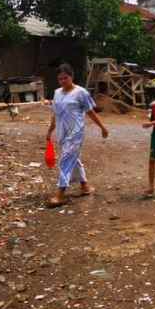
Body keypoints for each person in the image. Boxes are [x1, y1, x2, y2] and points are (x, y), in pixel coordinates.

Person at [46, 63, 109, 208]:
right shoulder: (57, 93)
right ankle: (85, 186)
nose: (63, 81)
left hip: (76, 133)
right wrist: (50, 131)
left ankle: (60, 194)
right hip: (62, 133)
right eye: (60, 79)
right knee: (73, 159)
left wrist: (102, 127)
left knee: (65, 160)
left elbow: (90, 112)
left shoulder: (81, 93)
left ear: (71, 77)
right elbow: (55, 114)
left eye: (65, 78)